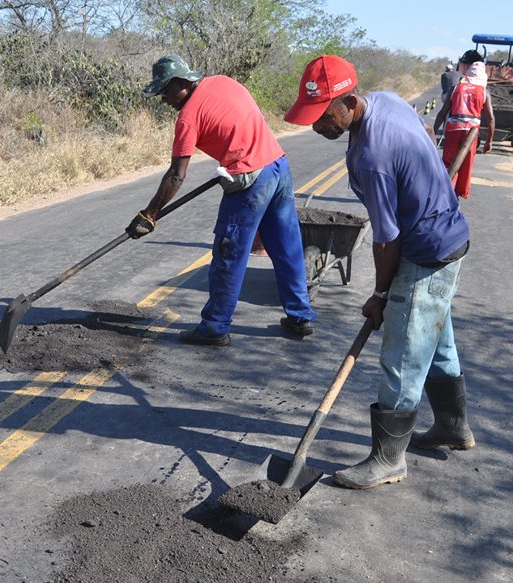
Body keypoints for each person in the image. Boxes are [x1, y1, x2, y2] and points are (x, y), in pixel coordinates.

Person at [284, 55, 475, 489]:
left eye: (323, 116)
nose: (316, 126)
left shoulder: (373, 156)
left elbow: (386, 239)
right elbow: (423, 135)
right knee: (435, 340)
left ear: (350, 102)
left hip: (425, 250)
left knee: (403, 354)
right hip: (447, 235)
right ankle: (453, 426)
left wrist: (381, 295)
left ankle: (389, 459)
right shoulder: (386, 100)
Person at [127, 54, 316, 346]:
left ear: (181, 82)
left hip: (252, 182)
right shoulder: (224, 82)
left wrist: (149, 214)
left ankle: (214, 327)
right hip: (278, 167)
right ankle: (300, 316)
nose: (164, 99)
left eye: (165, 91)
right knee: (286, 247)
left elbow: (176, 175)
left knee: (229, 253)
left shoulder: (188, 117)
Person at [433, 49, 494, 199]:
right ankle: (457, 195)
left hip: (453, 130)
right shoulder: (484, 92)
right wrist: (489, 140)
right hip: (471, 133)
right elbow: (491, 118)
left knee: (448, 162)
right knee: (466, 165)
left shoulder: (456, 88)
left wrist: (432, 133)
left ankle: (445, 193)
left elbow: (442, 113)